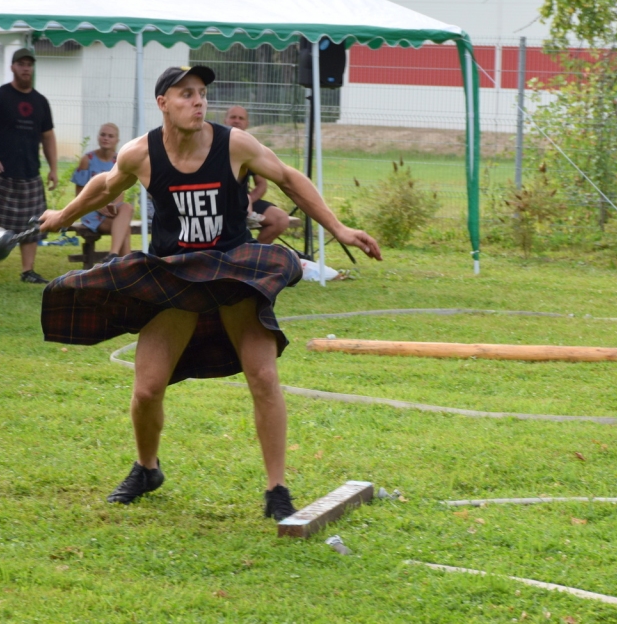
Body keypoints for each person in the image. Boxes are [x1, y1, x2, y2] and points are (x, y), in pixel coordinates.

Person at [37, 65, 381, 520]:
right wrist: (62, 216)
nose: (198, 102)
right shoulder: (141, 154)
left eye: (201, 94)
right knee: (147, 389)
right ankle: (147, 468)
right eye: (185, 95)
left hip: (233, 271)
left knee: (262, 376)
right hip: (175, 275)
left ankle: (277, 489)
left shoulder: (233, 144)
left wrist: (337, 227)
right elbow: (104, 186)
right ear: (163, 104)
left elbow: (288, 177)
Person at [0, 47, 58, 283]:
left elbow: (48, 136)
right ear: (13, 67)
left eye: (29, 64)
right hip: (0, 172)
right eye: (21, 64)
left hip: (30, 173)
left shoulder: (40, 102)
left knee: (31, 226)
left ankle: (28, 271)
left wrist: (54, 169)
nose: (26, 68)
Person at [224, 105, 292, 245]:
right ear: (225, 120)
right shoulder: (214, 143)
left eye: (241, 118)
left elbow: (261, 184)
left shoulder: (251, 148)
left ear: (247, 123)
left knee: (280, 219)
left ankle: (253, 255)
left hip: (244, 202)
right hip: (218, 202)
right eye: (233, 117)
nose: (237, 121)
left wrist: (248, 198)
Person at [71, 123, 134, 260]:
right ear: (98, 137)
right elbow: (79, 195)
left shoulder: (120, 161)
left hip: (110, 211)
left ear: (117, 140)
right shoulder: (87, 160)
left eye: (110, 136)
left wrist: (112, 205)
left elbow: (120, 192)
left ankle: (113, 256)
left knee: (127, 207)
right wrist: (98, 206)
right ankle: (123, 264)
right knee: (125, 230)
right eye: (103, 135)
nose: (106, 138)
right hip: (91, 211)